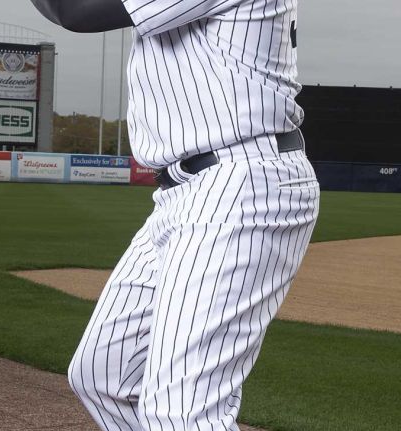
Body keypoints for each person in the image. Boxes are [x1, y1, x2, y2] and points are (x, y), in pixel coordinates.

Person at [30, 0, 319, 429]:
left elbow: (76, 12)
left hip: (242, 180)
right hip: (183, 191)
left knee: (183, 412)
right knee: (103, 377)